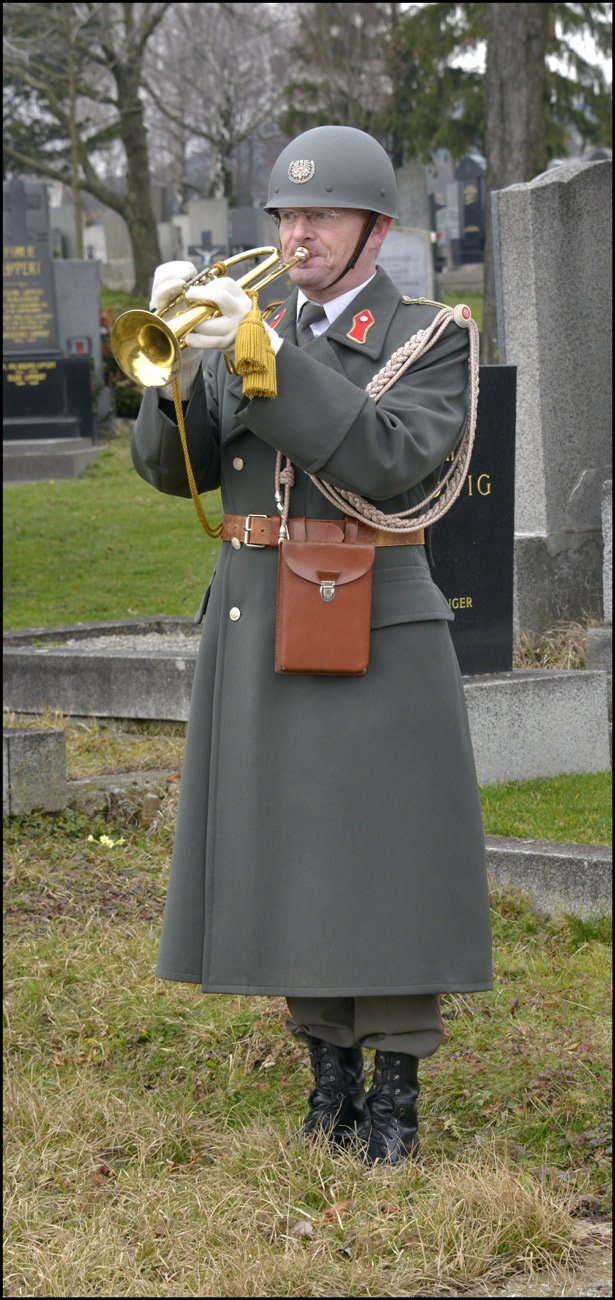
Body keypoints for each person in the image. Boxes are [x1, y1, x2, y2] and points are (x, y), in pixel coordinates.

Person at [131, 125, 493, 1166]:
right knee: (292, 848)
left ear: (375, 229)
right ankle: (328, 1075)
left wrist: (271, 358)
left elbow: (390, 457)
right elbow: (174, 470)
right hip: (261, 611)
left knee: (387, 852)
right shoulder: (253, 321)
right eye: (288, 216)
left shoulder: (428, 335)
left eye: (323, 216)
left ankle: (395, 1090)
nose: (300, 235)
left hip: (373, 616)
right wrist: (172, 367)